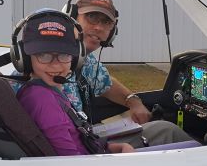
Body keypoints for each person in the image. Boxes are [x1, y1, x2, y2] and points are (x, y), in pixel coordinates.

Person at [62, 0, 192, 148]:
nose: (98, 28)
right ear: (72, 18)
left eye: (106, 22)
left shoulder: (84, 59)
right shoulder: (56, 63)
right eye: (91, 17)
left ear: (112, 32)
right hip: (78, 149)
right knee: (168, 131)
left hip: (84, 137)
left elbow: (106, 83)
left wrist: (134, 101)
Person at [13, 10, 135, 156]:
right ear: (24, 58)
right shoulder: (41, 99)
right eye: (43, 55)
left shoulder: (52, 91)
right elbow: (72, 163)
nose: (56, 65)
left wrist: (117, 148)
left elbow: (81, 142)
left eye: (64, 55)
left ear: (76, 59)